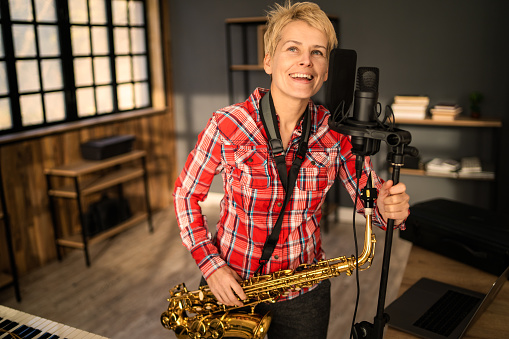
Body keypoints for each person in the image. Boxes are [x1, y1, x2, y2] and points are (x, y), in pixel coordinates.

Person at [173, 1, 410, 338]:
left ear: (326, 70)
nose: (306, 61)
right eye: (293, 48)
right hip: (230, 282)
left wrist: (386, 207)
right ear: (268, 60)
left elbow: (368, 196)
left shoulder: (336, 131)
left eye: (318, 52)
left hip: (304, 293)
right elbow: (185, 195)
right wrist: (211, 267)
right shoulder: (227, 124)